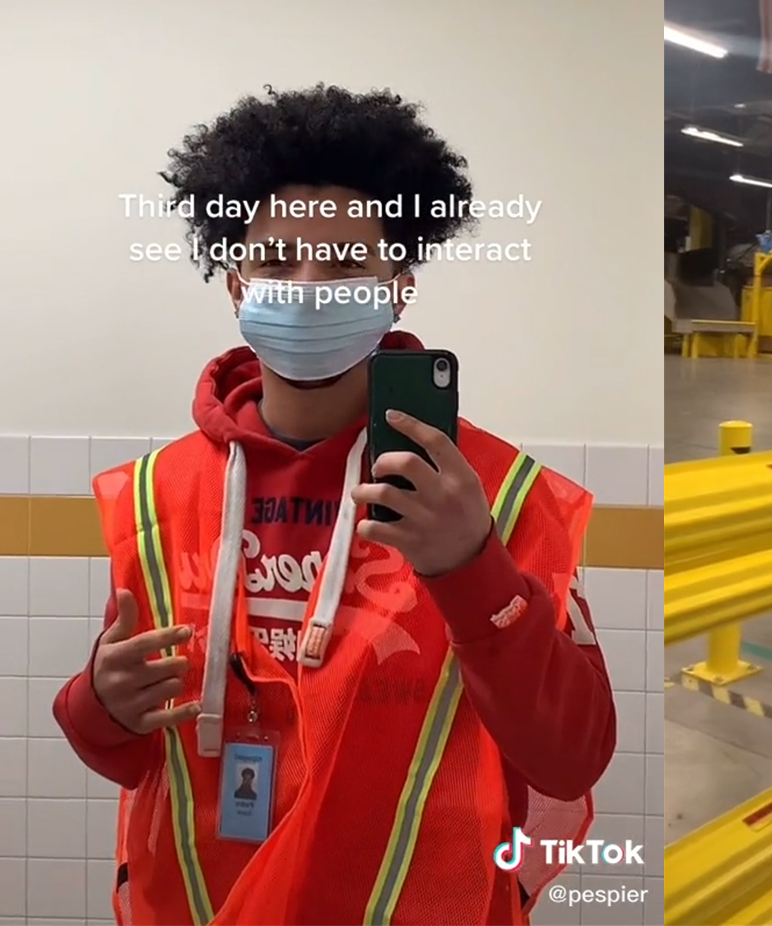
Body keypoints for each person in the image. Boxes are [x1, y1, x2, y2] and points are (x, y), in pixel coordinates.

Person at [51, 84, 617, 925]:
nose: (309, 288)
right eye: (278, 262)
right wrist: (97, 705)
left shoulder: (491, 492)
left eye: (347, 264)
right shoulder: (161, 490)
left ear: (398, 287)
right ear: (236, 285)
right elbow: (134, 755)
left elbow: (570, 760)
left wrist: (472, 571)